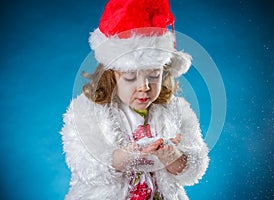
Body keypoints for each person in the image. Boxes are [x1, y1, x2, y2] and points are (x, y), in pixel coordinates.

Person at [61, 0, 209, 199]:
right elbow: (84, 162)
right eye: (130, 76)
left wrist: (174, 157)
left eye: (154, 75)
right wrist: (124, 158)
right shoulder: (88, 110)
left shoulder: (176, 110)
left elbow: (195, 164)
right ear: (110, 74)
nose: (144, 87)